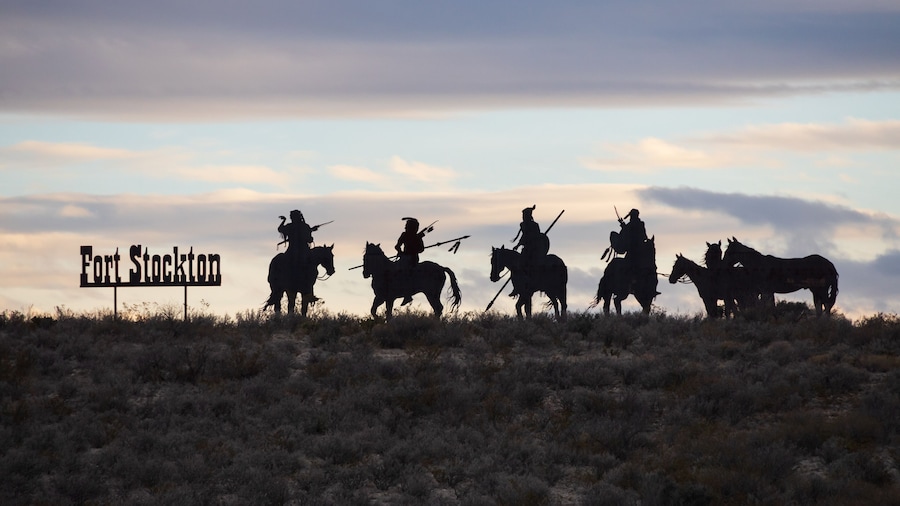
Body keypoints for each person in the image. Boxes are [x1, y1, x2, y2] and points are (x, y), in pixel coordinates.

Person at [278, 210, 320, 301]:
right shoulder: (305, 226)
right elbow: (309, 240)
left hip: (291, 251)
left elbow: (280, 229)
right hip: (303, 251)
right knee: (312, 267)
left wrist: (283, 220)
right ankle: (309, 292)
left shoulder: (289, 226)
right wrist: (311, 231)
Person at [511, 205, 549, 297]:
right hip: (526, 249)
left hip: (534, 249)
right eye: (522, 215)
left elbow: (537, 236)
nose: (523, 217)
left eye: (524, 215)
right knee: (518, 264)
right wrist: (517, 245)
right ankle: (517, 286)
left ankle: (536, 280)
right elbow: (523, 237)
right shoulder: (523, 225)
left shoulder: (534, 225)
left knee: (534, 263)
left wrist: (532, 242)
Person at [394, 217, 430, 305]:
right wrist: (400, 252)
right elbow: (397, 246)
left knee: (406, 272)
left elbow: (421, 249)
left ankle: (407, 295)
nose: (405, 228)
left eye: (407, 226)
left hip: (413, 259)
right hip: (404, 258)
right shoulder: (405, 235)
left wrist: (413, 249)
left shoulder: (417, 237)